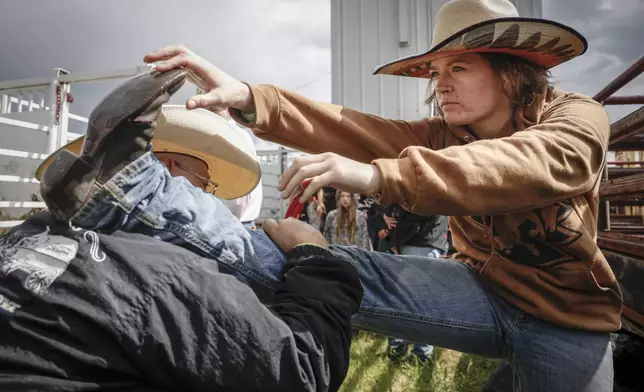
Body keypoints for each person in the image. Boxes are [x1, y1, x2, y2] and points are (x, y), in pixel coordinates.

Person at [39, 0, 619, 390]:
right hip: (480, 291)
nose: (440, 83)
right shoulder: (441, 134)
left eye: (459, 67)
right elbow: (352, 127)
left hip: (569, 321)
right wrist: (249, 96)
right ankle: (129, 196)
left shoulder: (577, 117)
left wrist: (379, 176)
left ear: (513, 71)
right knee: (318, 262)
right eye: (435, 69)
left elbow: (541, 164)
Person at [0, 70, 363, 392]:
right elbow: (301, 372)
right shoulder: (170, 276)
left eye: (200, 180)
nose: (200, 192)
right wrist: (315, 258)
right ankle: (132, 189)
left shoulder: (34, 235)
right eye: (202, 180)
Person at [383, 204, 449, 363]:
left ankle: (420, 355)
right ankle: (400, 349)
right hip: (415, 241)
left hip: (421, 241)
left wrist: (395, 236)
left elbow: (419, 207)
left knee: (418, 303)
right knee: (404, 301)